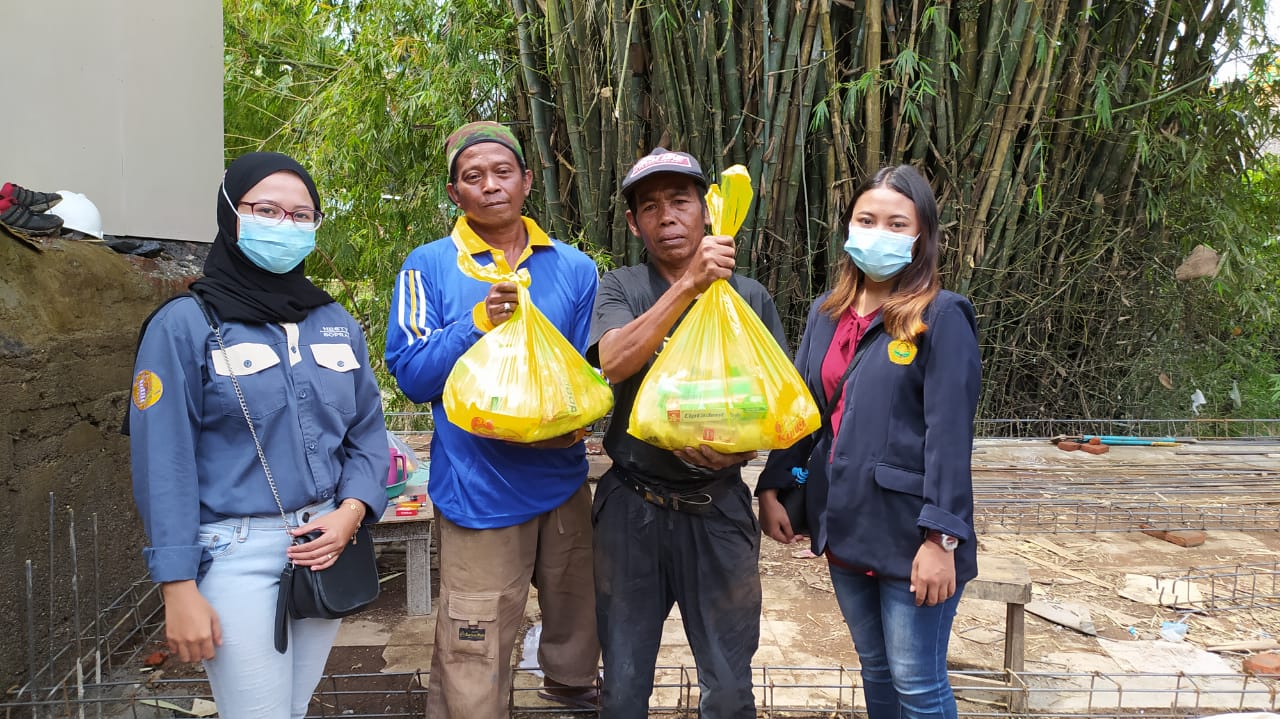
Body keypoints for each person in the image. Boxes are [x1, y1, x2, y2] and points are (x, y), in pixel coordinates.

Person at [126, 151, 390, 719]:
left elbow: (368, 431)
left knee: (290, 709)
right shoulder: (186, 325)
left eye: (302, 215)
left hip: (325, 543)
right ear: (230, 215)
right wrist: (177, 585)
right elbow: (163, 461)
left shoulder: (336, 322)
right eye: (266, 209)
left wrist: (351, 513)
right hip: (234, 551)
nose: (285, 225)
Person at [385, 121, 601, 717]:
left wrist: (581, 419)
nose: (490, 186)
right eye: (472, 176)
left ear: (527, 181)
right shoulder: (427, 266)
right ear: (455, 194)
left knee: (576, 624)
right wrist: (477, 321)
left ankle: (570, 696)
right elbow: (411, 374)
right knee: (474, 643)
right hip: (478, 491)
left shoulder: (574, 269)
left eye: (502, 172)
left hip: (561, 483)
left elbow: (585, 373)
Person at [756, 165, 981, 719]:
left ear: (921, 236)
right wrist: (777, 484)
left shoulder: (941, 317)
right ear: (849, 228)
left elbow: (950, 437)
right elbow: (804, 412)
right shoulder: (826, 313)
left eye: (896, 223)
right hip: (846, 522)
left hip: (912, 534)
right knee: (876, 671)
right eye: (866, 219)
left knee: (918, 684)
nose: (878, 232)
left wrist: (942, 540)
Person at [588, 147, 785, 718]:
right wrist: (688, 285)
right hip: (632, 509)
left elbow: (776, 403)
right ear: (633, 223)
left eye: (680, 201)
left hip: (717, 508)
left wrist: (743, 451)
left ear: (706, 210)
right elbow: (614, 361)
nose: (667, 216)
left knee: (728, 687)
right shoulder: (621, 286)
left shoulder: (748, 298)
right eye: (649, 207)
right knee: (623, 685)